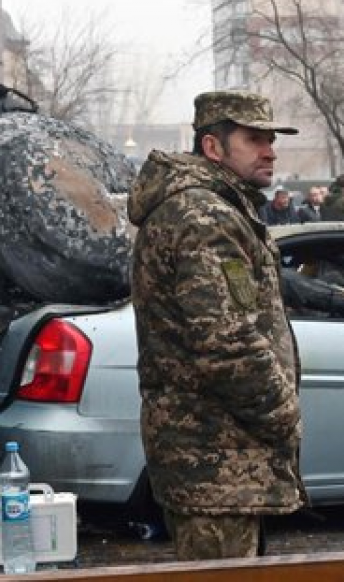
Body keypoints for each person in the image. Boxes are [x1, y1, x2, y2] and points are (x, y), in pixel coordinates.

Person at [127, 90, 305, 561]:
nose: (270, 150)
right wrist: (284, 415)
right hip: (214, 457)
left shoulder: (217, 210)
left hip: (222, 461)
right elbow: (226, 340)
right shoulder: (203, 217)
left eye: (270, 139)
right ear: (212, 147)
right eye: (254, 139)